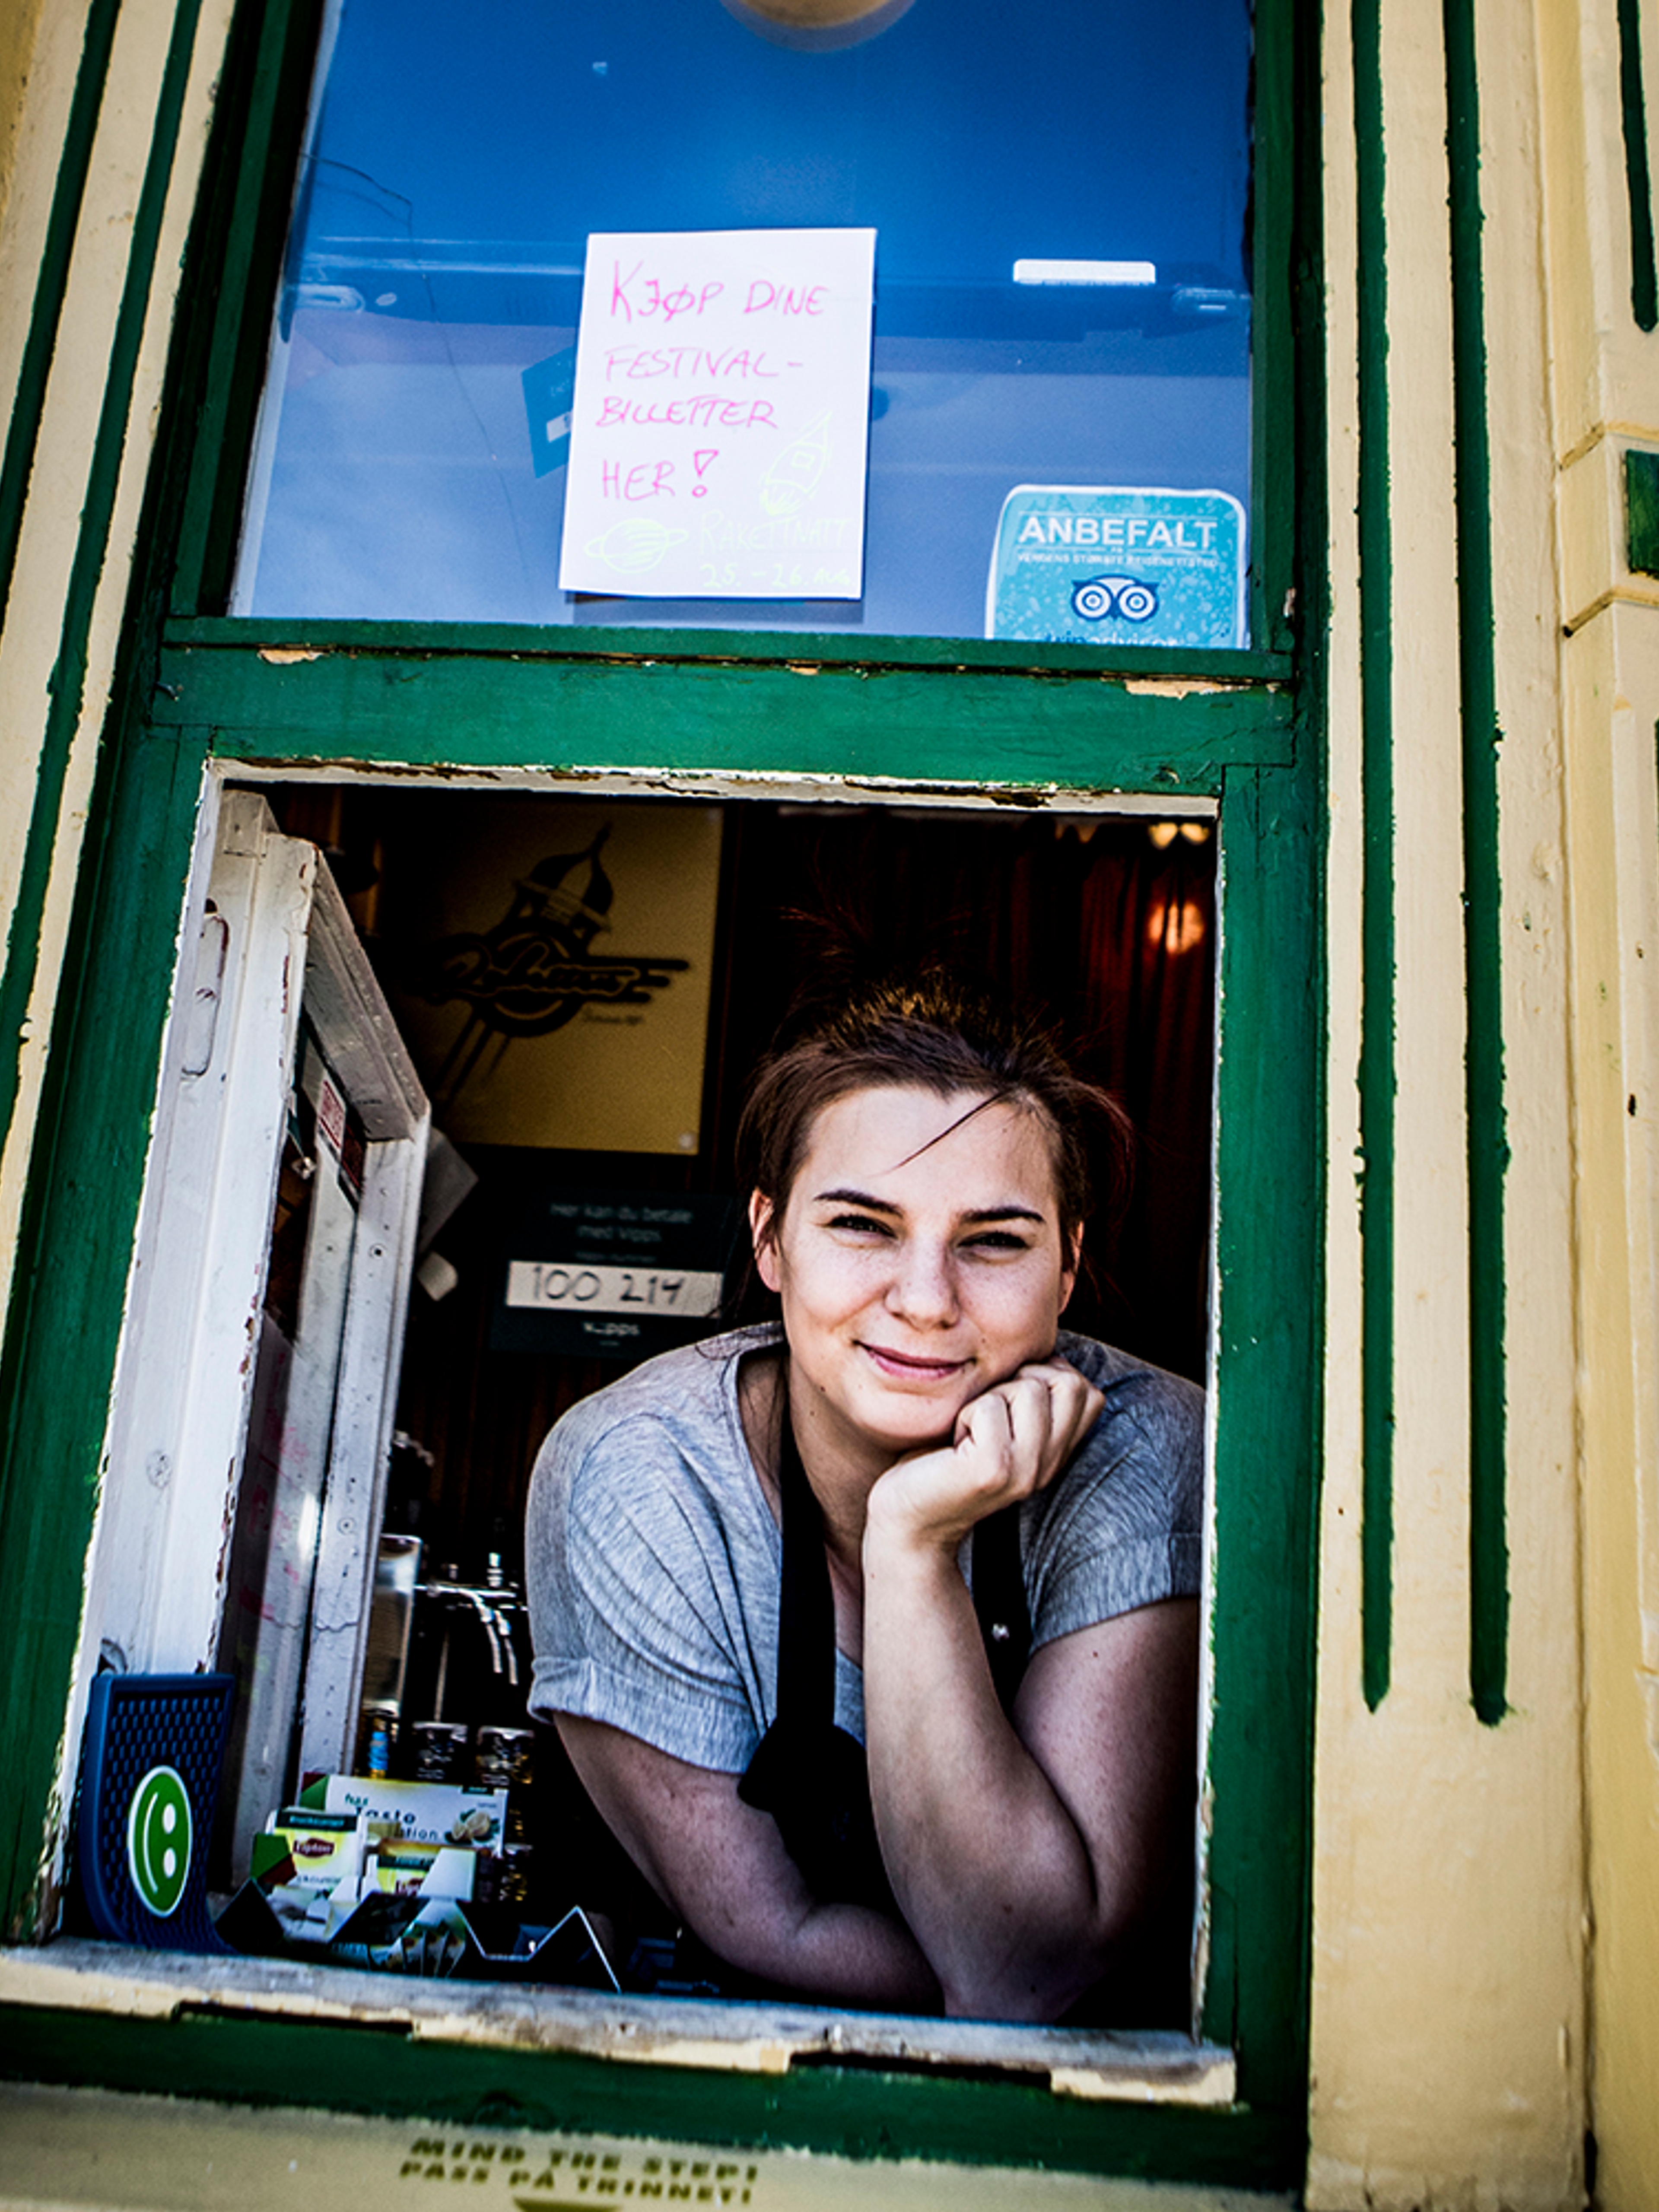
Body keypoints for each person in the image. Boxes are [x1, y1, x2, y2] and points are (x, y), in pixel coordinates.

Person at [525, 970, 1202, 2022]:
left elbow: (1031, 1967)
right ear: (769, 1240)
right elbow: (770, 1926)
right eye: (862, 1225)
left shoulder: (1147, 1449)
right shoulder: (641, 1474)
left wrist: (910, 1545)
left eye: (994, 1240)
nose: (927, 1301)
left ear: (1068, 1267)